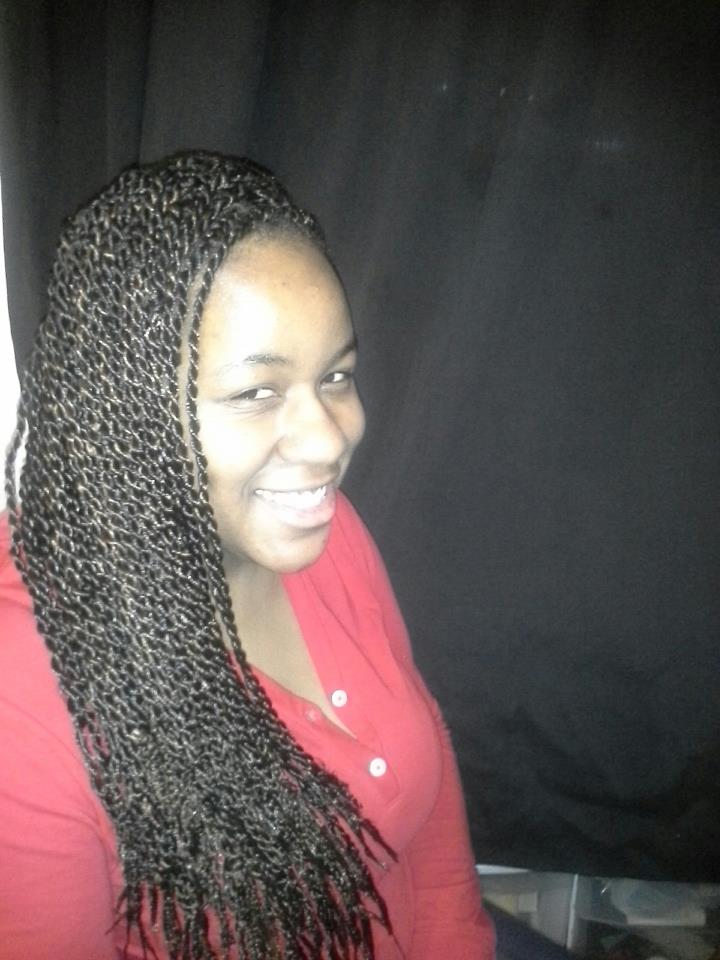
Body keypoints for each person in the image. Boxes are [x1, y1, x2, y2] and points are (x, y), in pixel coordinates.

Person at [0, 152, 495, 960]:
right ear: (128, 413)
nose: (330, 439)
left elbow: (428, 789)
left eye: (336, 376)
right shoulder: (22, 691)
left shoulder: (324, 532)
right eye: (256, 392)